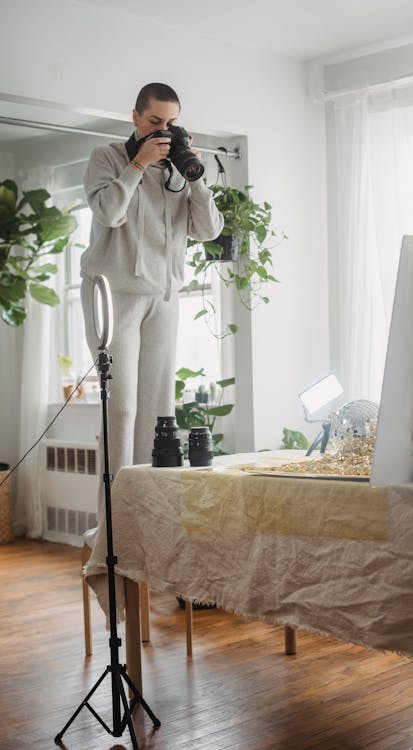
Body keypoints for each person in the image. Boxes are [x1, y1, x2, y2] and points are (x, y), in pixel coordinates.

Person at [80, 82, 223, 513]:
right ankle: (113, 523)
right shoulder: (107, 157)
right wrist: (138, 165)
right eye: (156, 121)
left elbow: (209, 230)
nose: (164, 130)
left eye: (173, 123)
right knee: (120, 410)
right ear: (136, 117)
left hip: (163, 296)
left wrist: (195, 177)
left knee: (159, 411)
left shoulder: (177, 168)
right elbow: (109, 213)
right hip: (114, 293)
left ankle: (149, 518)